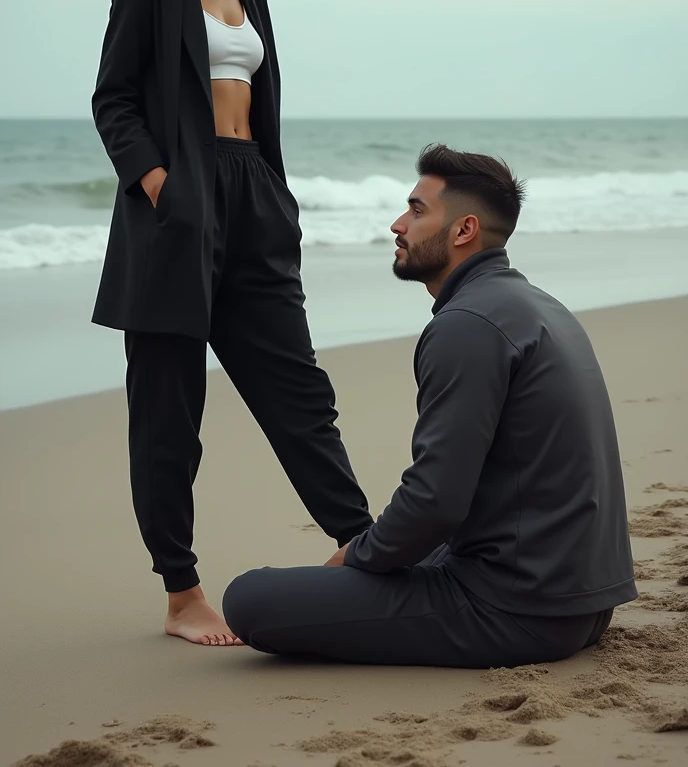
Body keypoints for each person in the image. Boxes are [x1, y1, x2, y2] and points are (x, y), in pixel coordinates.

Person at [91, 0, 372, 646]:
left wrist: (273, 197)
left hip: (251, 193)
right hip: (177, 203)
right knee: (169, 410)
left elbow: (259, 102)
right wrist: (161, 187)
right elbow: (114, 99)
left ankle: (360, 541)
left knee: (296, 382)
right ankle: (182, 595)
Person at [223, 145, 637, 667]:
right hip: (583, 599)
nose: (398, 224)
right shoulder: (538, 305)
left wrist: (356, 555)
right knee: (397, 551)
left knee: (250, 598)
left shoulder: (467, 325)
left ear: (463, 231)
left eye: (417, 210)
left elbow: (437, 499)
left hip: (516, 611)